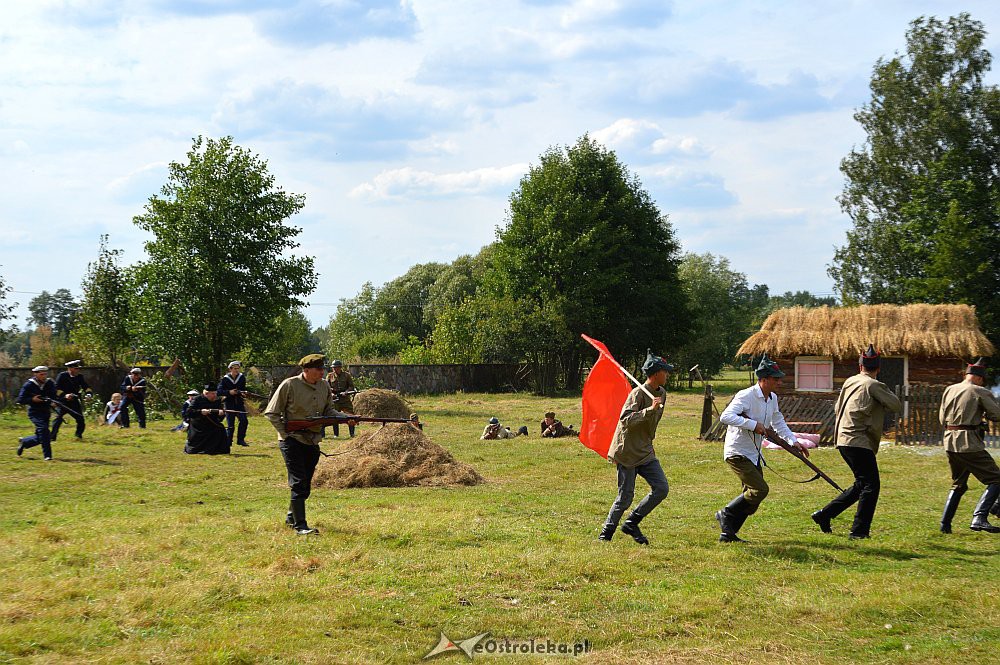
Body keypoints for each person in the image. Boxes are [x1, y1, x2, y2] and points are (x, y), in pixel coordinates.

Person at [810, 345, 901, 539]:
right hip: (858, 440)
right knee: (871, 485)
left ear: (860, 366)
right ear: (878, 368)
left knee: (862, 483)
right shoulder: (874, 385)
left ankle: (825, 515)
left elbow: (837, 407)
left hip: (843, 439)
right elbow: (896, 405)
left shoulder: (850, 381)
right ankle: (859, 531)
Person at [716, 354, 809, 543]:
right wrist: (752, 424)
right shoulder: (746, 395)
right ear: (764, 379)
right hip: (737, 452)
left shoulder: (772, 398)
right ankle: (725, 513)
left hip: (754, 454)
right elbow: (725, 417)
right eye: (775, 379)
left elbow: (778, 421)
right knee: (759, 490)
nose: (779, 382)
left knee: (752, 502)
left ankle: (728, 534)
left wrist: (793, 441)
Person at [265, 354, 356, 536]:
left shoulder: (324, 386)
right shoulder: (289, 385)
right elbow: (271, 412)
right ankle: (301, 526)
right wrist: (285, 435)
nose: (322, 372)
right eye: (318, 369)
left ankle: (291, 517)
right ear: (306, 370)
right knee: (299, 482)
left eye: (323, 368)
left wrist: (346, 418)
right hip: (292, 441)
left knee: (305, 483)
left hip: (313, 440)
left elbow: (328, 410)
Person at [598, 351, 673, 545]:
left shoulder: (662, 393)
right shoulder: (638, 393)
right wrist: (649, 410)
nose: (668, 375)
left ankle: (632, 522)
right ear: (656, 373)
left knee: (661, 488)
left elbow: (652, 425)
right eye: (665, 371)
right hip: (627, 452)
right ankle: (606, 533)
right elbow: (626, 420)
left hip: (646, 451)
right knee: (625, 497)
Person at [938, 357, 1000, 534]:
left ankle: (945, 525)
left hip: (950, 442)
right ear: (980, 378)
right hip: (969, 444)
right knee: (996, 479)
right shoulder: (980, 391)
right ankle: (979, 518)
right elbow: (996, 415)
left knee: (958, 484)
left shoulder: (949, 389)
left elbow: (942, 419)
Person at [16, 366, 58, 460]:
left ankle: (25, 442)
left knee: (42, 436)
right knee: (44, 431)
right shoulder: (29, 385)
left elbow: (54, 395)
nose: (43, 376)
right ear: (35, 374)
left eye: (45, 374)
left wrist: (54, 402)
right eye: (41, 374)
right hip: (34, 412)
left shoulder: (49, 383)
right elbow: (20, 399)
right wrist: (32, 399)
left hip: (46, 412)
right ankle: (47, 455)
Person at [184, 384, 230, 455]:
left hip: (212, 423)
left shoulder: (217, 400)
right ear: (206, 393)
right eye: (212, 394)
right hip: (198, 424)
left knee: (220, 429)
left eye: (215, 393)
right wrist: (201, 412)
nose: (215, 395)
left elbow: (219, 418)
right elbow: (189, 412)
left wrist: (221, 414)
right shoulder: (197, 399)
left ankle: (217, 450)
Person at [51, 359, 91, 441]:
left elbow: (86, 387)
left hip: (74, 402)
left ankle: (78, 435)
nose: (78, 370)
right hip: (62, 402)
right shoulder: (62, 376)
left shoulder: (80, 377)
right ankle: (52, 437)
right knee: (58, 419)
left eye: (78, 368)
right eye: (76, 368)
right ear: (70, 368)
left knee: (80, 419)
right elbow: (56, 389)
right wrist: (65, 395)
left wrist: (88, 395)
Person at [218, 361, 249, 447]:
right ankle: (228, 441)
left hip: (239, 402)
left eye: (238, 368)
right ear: (230, 369)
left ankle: (240, 440)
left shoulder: (241, 377)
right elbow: (219, 392)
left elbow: (242, 389)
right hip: (229, 403)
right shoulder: (225, 379)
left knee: (244, 421)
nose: (237, 370)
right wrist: (229, 392)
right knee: (230, 424)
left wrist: (243, 393)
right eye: (235, 369)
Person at [326, 359, 356, 438]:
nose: (335, 369)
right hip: (335, 398)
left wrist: (346, 392)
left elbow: (351, 386)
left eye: (336, 367)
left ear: (340, 367)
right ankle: (336, 434)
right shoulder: (329, 376)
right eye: (334, 367)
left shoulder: (347, 375)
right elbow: (326, 387)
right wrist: (331, 394)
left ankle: (352, 433)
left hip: (345, 398)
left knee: (350, 415)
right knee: (335, 417)